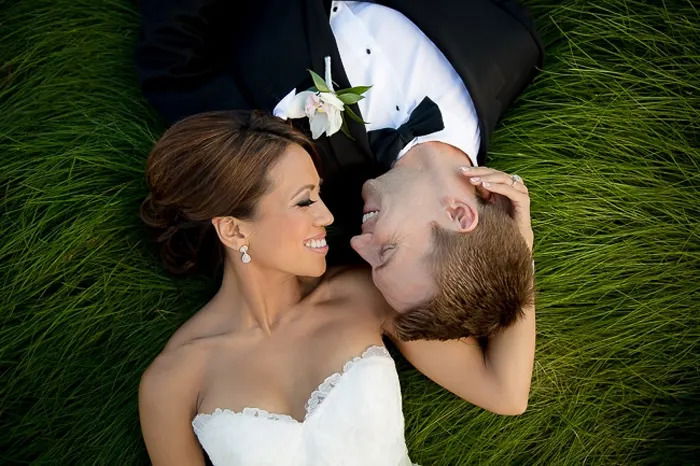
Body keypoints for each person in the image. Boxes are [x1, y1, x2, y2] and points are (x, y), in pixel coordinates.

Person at [138, 110, 534, 465]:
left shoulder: (365, 295)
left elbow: (505, 393)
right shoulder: (173, 381)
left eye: (319, 194)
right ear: (234, 229)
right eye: (304, 201)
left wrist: (520, 244)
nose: (327, 215)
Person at [135, 0, 541, 342]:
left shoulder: (292, 173)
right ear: (459, 213)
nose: (360, 246)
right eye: (386, 251)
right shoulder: (511, 43)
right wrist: (517, 244)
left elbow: (174, 65)